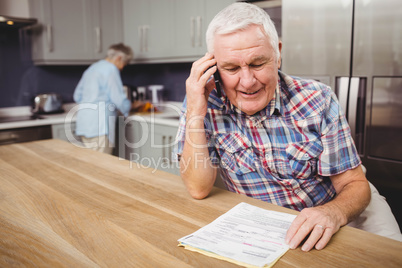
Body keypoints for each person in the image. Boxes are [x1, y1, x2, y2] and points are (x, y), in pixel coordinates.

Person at [173, 2, 401, 252]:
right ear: (213, 67)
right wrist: (196, 110)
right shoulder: (201, 100)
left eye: (258, 63)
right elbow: (198, 188)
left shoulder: (317, 99)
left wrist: (333, 213)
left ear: (278, 54)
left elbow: (354, 184)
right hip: (275, 225)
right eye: (232, 68)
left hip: (343, 208)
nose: (248, 82)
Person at [73, 43, 133, 154]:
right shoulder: (111, 70)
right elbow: (118, 99)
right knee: (101, 166)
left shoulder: (92, 68)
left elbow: (77, 96)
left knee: (90, 164)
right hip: (100, 126)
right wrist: (129, 107)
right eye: (124, 63)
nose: (123, 67)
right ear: (119, 58)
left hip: (84, 123)